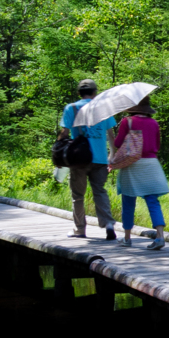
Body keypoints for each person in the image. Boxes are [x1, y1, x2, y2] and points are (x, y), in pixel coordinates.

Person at [59, 79, 117, 240]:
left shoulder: (71, 108)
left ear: (79, 93)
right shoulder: (104, 108)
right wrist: (112, 155)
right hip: (99, 158)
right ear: (95, 93)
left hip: (79, 158)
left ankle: (79, 229)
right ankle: (109, 224)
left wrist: (58, 150)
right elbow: (110, 134)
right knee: (99, 191)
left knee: (78, 195)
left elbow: (65, 133)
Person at [114, 97, 169, 251]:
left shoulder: (127, 121)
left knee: (128, 201)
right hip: (151, 164)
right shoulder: (154, 123)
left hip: (132, 164)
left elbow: (118, 144)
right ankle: (160, 236)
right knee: (152, 201)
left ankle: (127, 238)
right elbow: (157, 145)